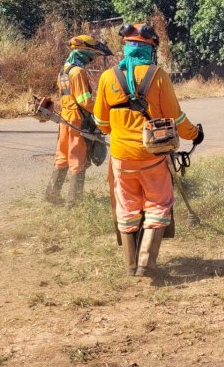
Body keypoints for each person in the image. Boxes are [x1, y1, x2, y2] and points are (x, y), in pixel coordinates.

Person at [93, 23, 203, 277]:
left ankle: (131, 266)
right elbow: (175, 118)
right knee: (158, 203)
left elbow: (102, 122)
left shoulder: (108, 77)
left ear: (127, 48)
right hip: (153, 156)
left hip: (121, 157)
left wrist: (122, 132)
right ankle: (146, 264)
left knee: (127, 206)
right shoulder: (158, 75)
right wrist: (194, 134)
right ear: (150, 48)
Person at [44, 35, 112, 206]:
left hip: (64, 119)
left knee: (62, 156)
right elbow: (85, 101)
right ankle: (74, 201)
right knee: (78, 159)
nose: (93, 58)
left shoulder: (64, 70)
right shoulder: (78, 72)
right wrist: (103, 112)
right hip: (78, 120)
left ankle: (52, 194)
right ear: (85, 52)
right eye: (93, 55)